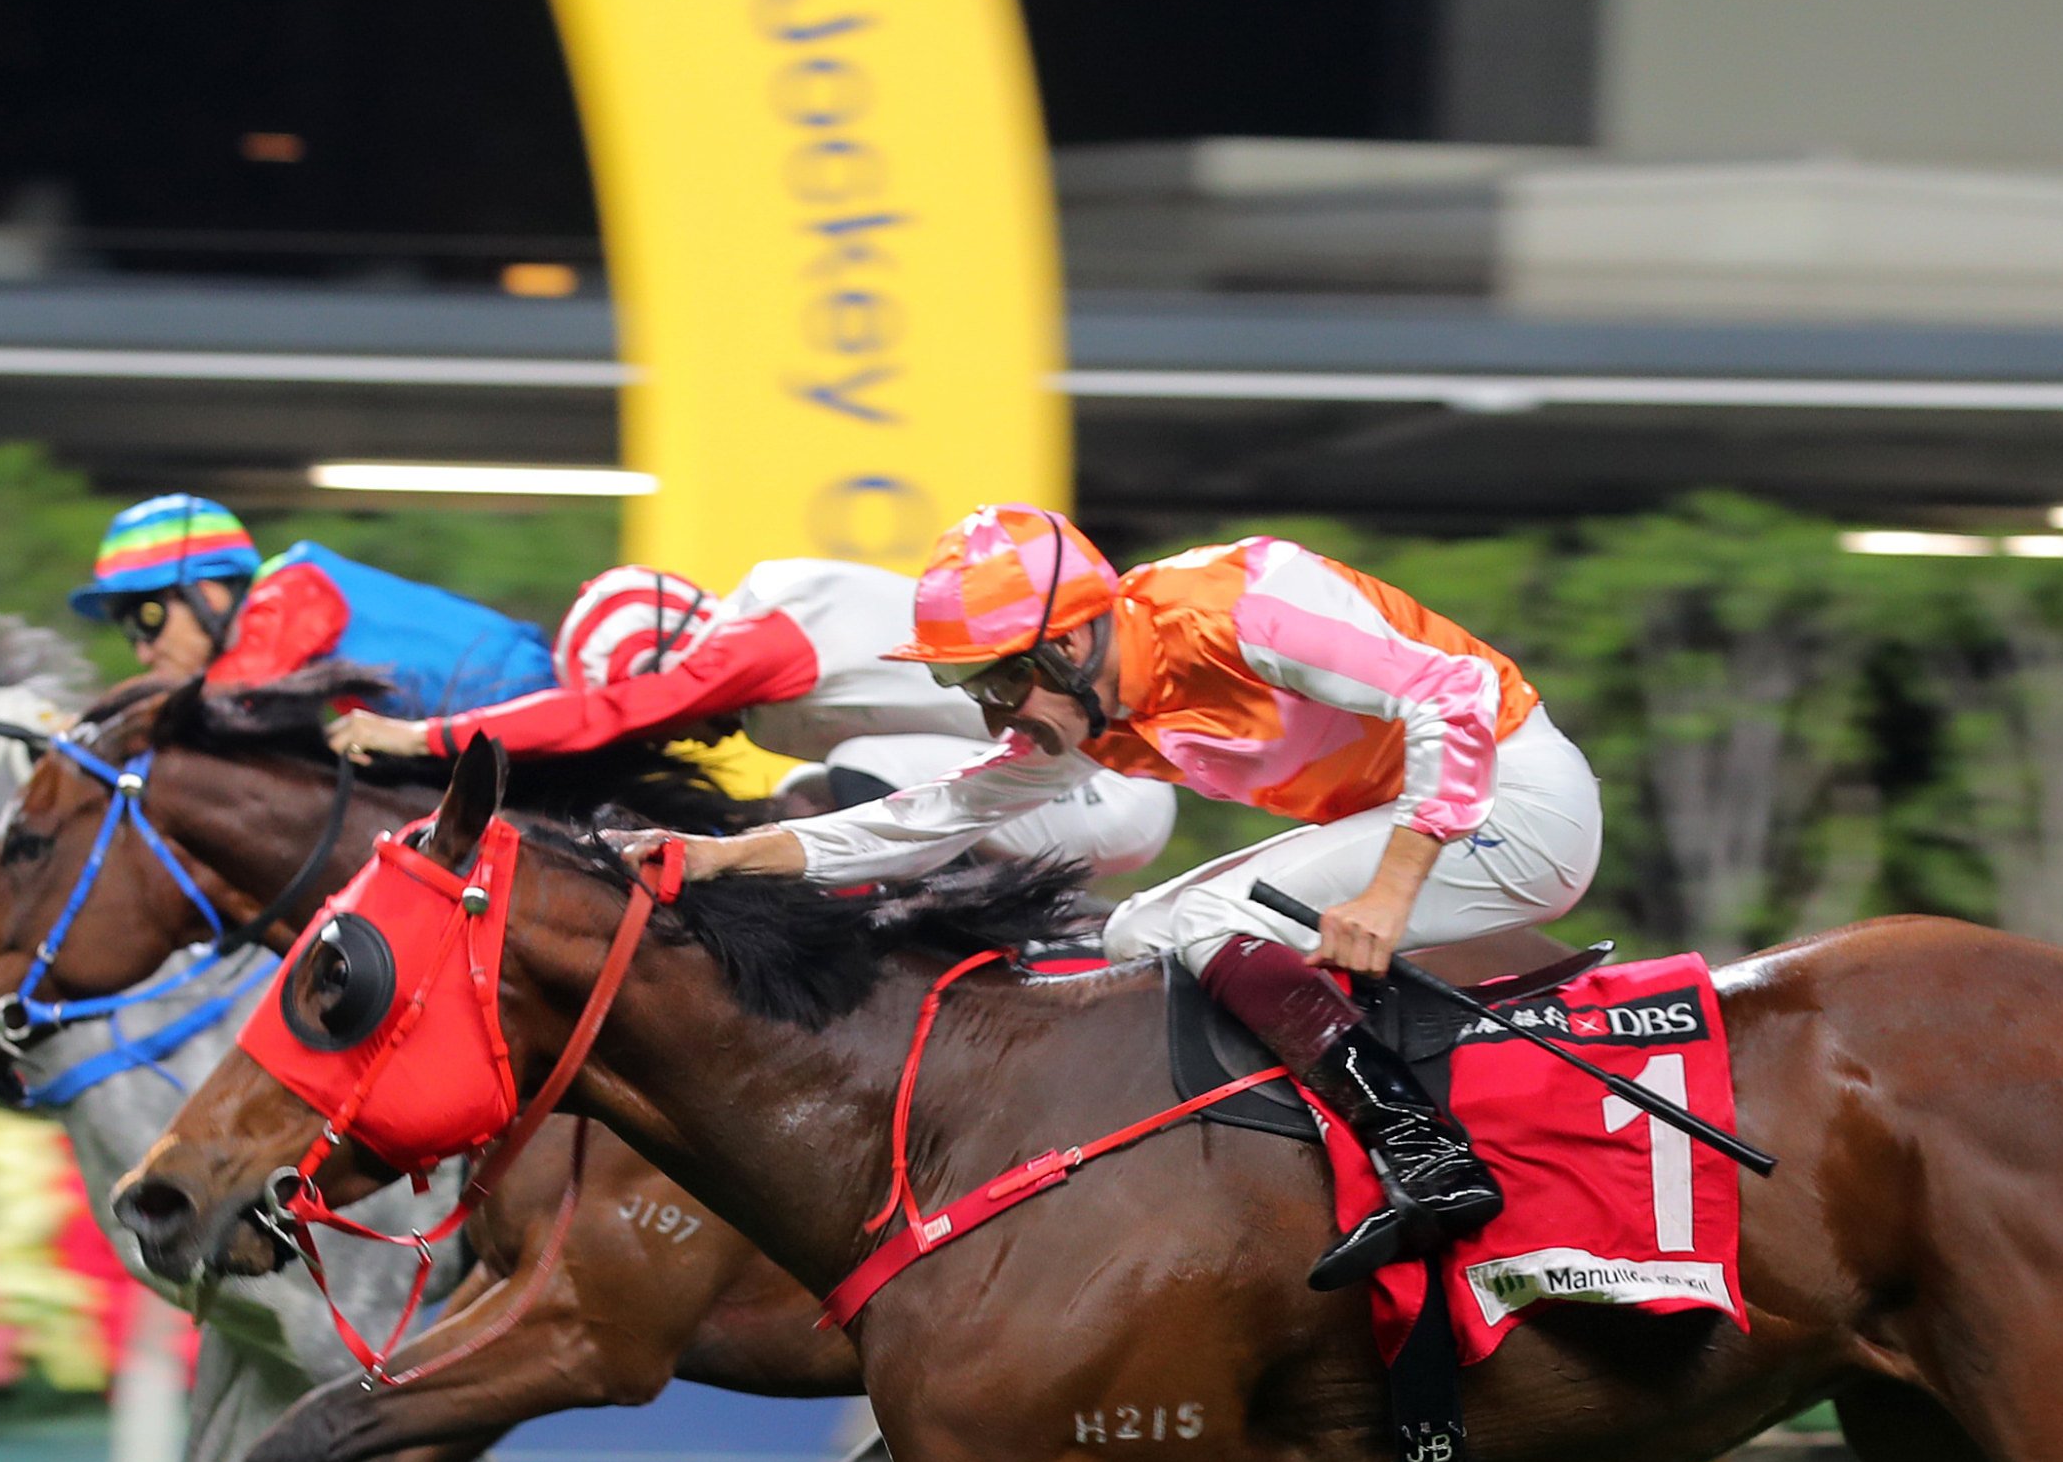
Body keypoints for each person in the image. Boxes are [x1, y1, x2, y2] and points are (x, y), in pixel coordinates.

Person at [631, 505, 1601, 1291]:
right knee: (1143, 928)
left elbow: (1457, 693)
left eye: (1000, 678)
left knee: (1209, 922)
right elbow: (929, 816)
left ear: (1074, 642)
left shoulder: (1240, 605)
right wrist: (724, 856)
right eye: (972, 684)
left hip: (1518, 803)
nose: (989, 709)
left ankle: (1423, 1148)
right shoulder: (1096, 710)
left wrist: (1394, 890)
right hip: (1424, 815)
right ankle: (1335, 1150)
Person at [322, 558, 1172, 879]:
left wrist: (416, 738)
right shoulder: (758, 663)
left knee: (852, 775)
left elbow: (618, 708)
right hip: (1045, 798)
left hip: (1108, 792)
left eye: (672, 720)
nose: (682, 737)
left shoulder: (764, 634)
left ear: (676, 652)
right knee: (801, 790)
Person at [66, 494, 553, 719]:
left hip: (525, 704)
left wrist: (95, 722)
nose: (144, 652)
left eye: (147, 620)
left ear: (207, 594)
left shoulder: (292, 591)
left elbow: (226, 696)